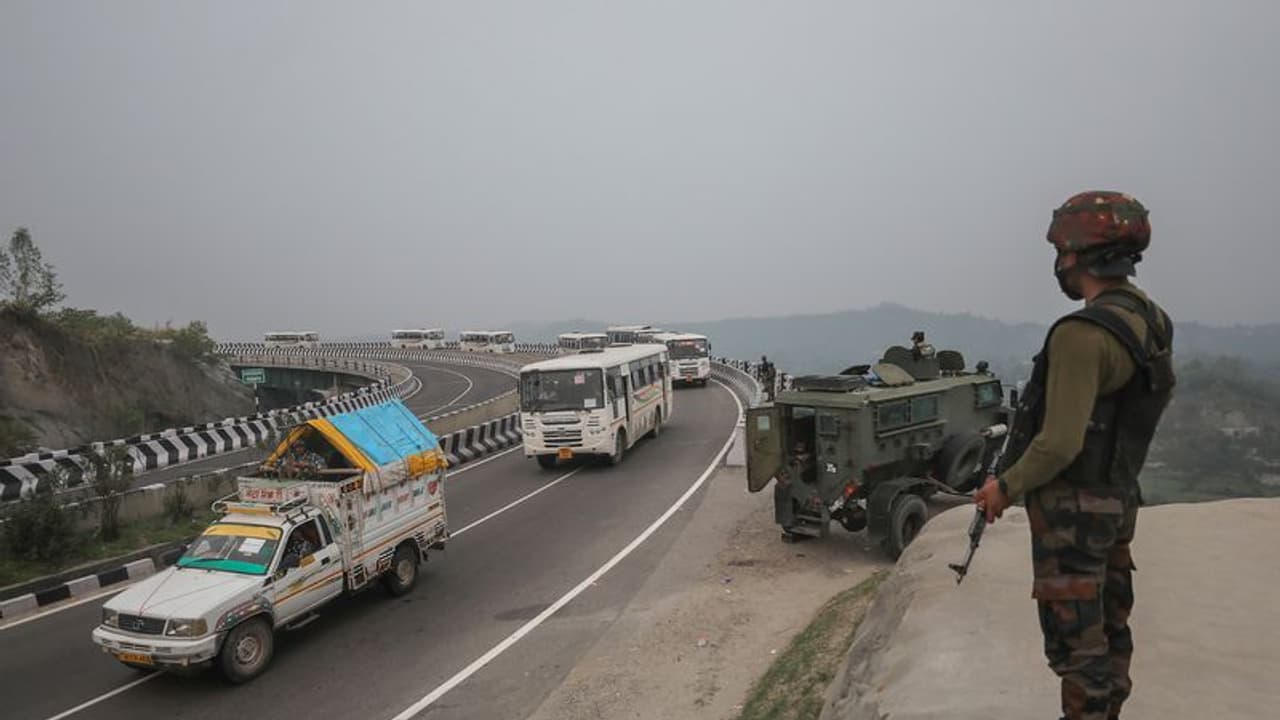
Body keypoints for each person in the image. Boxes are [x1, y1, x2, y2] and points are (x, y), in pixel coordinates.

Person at [973, 191, 1176, 720]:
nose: (1059, 264)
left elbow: (1059, 441)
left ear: (1081, 255)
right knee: (1110, 632)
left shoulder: (1081, 335)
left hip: (1073, 516)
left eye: (1063, 253)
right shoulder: (1150, 319)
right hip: (1117, 498)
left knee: (1077, 650)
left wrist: (1005, 486)